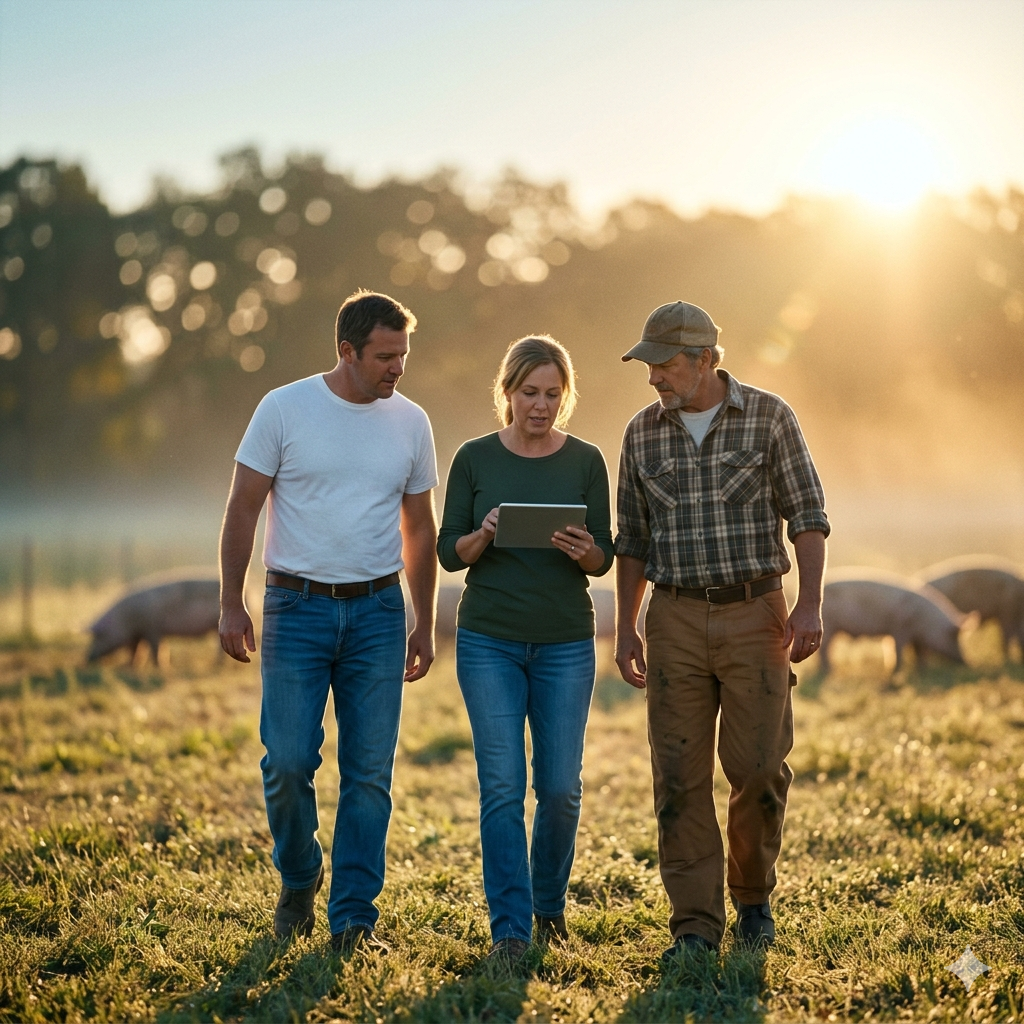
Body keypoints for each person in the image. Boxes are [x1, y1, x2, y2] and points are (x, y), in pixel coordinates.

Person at [218, 289, 438, 952]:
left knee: (369, 774)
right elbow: (241, 510)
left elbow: (420, 530)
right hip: (295, 607)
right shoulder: (284, 409)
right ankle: (300, 873)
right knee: (286, 761)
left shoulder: (412, 422)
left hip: (378, 612)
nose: (397, 367)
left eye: (403, 354)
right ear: (346, 350)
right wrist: (232, 600)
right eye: (384, 356)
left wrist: (422, 620)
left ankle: (353, 920)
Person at [613, 301, 829, 958]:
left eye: (665, 363)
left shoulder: (770, 417)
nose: (653, 377)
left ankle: (753, 898)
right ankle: (695, 929)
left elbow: (808, 515)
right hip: (674, 616)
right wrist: (625, 628)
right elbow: (632, 541)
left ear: (707, 359)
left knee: (759, 769)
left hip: (755, 612)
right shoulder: (641, 434)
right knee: (678, 777)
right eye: (648, 363)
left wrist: (810, 603)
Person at [437, 336, 614, 966]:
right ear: (507, 392)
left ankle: (549, 906)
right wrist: (483, 536)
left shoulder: (588, 461)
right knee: (504, 786)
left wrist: (581, 549)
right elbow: (446, 551)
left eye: (552, 394)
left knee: (562, 787)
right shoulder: (474, 458)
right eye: (529, 393)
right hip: (489, 639)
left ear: (564, 398)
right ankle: (510, 929)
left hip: (567, 640)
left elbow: (605, 558)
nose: (540, 406)